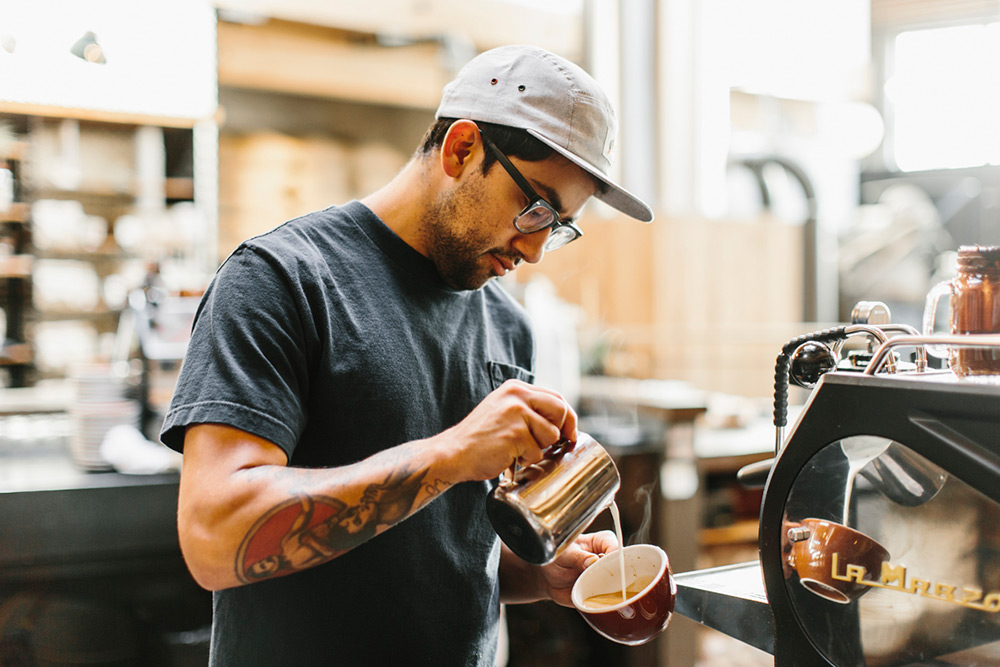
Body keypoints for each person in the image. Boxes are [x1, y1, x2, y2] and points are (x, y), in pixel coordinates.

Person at [161, 43, 654, 665]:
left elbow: (443, 550)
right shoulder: (282, 280)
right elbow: (214, 537)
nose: (533, 250)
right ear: (462, 149)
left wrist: (541, 576)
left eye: (557, 227)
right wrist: (450, 454)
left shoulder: (507, 327)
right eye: (535, 208)